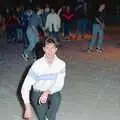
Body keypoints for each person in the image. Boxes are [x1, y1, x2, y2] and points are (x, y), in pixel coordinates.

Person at [21, 38, 66, 120]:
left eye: (52, 48)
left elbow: (59, 84)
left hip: (52, 91)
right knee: (42, 117)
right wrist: (27, 107)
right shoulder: (37, 65)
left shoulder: (61, 64)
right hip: (37, 93)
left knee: (55, 104)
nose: (50, 51)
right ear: (44, 49)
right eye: (47, 48)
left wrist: (47, 92)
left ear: (56, 49)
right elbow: (25, 86)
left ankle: (50, 117)